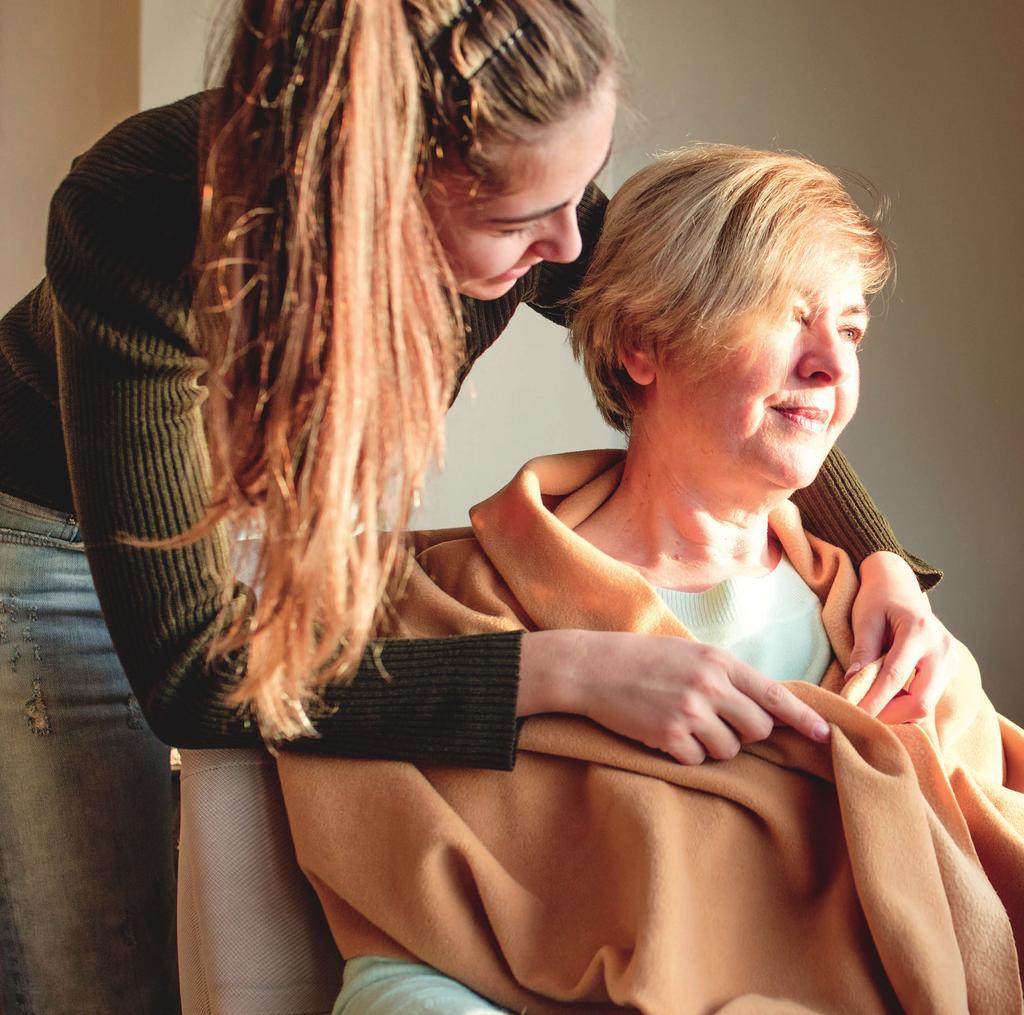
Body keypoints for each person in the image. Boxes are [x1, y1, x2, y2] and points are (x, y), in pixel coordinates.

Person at [0, 2, 949, 1011]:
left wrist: (878, 553)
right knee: (103, 972)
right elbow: (195, 676)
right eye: (513, 223)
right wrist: (566, 670)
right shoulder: (137, 217)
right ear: (378, 195)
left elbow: (684, 321)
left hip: (270, 518)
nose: (571, 245)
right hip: (52, 530)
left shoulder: (536, 195)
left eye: (579, 190)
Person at [278, 145, 1024, 1013]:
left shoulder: (889, 636)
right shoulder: (459, 606)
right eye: (785, 315)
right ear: (642, 345)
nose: (832, 365)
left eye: (850, 328)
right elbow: (401, 977)